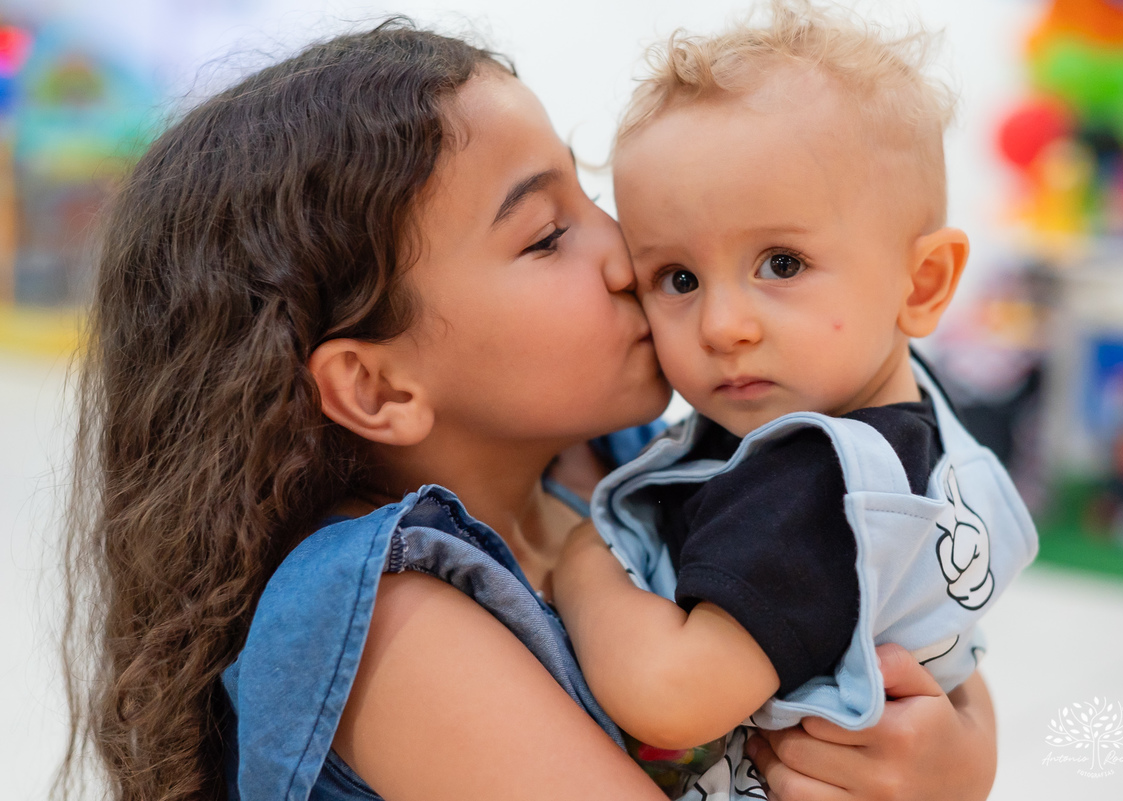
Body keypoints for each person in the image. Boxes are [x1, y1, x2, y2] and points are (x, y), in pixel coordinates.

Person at [59, 18, 1000, 801]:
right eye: (547, 234)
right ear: (380, 386)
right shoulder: (396, 629)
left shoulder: (615, 451)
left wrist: (962, 756)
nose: (626, 257)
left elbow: (896, 606)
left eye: (591, 197)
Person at [551, 2, 1038, 799]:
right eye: (678, 278)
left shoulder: (814, 477)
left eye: (782, 263)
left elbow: (672, 696)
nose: (723, 325)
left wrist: (578, 560)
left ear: (921, 284)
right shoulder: (906, 409)